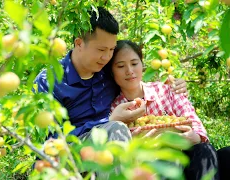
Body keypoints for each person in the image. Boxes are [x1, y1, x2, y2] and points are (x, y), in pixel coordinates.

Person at [34, 7, 187, 144]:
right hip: (68, 153)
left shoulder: (108, 71)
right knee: (116, 129)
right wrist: (109, 121)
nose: (107, 57)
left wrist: (173, 86)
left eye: (111, 49)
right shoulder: (50, 80)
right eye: (101, 50)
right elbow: (50, 139)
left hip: (111, 146)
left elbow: (135, 81)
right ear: (79, 43)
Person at [108, 40, 230, 180]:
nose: (129, 71)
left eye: (134, 63)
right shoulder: (114, 109)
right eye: (121, 66)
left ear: (142, 64)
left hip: (187, 160)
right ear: (112, 71)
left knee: (227, 154)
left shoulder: (166, 90)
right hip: (153, 167)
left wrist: (193, 137)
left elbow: (196, 127)